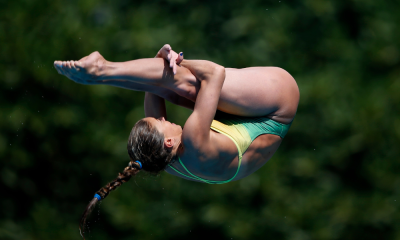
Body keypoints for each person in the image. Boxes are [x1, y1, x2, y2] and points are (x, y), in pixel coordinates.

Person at [54, 45, 299, 235]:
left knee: (167, 85)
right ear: (169, 142)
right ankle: (102, 71)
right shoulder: (193, 141)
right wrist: (178, 61)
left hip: (236, 121)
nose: (168, 120)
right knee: (186, 83)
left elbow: (153, 85)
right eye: (164, 123)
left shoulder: (159, 159)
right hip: (275, 107)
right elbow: (215, 72)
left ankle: (102, 73)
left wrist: (159, 58)